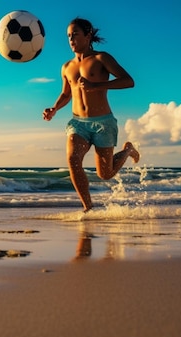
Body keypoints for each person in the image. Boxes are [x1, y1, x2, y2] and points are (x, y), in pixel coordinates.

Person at [43, 17, 140, 212]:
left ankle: (128, 149)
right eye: (68, 36)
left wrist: (97, 86)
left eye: (75, 34)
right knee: (73, 160)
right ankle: (88, 207)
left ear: (88, 36)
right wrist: (54, 108)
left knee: (105, 174)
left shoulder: (101, 58)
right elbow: (66, 93)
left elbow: (128, 81)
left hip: (103, 123)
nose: (71, 39)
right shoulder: (66, 67)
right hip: (78, 123)